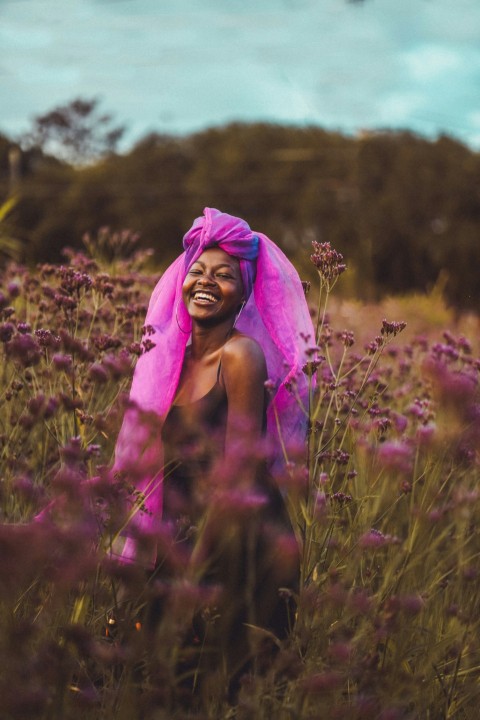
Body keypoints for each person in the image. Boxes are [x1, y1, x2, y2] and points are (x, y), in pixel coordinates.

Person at [112, 207, 315, 691]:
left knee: (215, 689)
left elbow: (239, 479)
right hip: (185, 539)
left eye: (224, 275)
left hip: (239, 549)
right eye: (197, 271)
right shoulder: (171, 361)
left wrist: (191, 579)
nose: (205, 282)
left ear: (246, 290)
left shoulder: (241, 356)